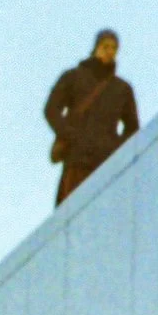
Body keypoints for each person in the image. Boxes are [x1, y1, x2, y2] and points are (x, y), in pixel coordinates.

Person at [45, 29, 140, 205]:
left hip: (106, 162)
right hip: (77, 158)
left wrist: (114, 146)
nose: (109, 51)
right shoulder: (73, 77)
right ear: (96, 48)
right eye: (105, 46)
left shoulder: (122, 89)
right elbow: (51, 109)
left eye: (113, 48)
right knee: (70, 213)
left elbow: (133, 128)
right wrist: (69, 134)